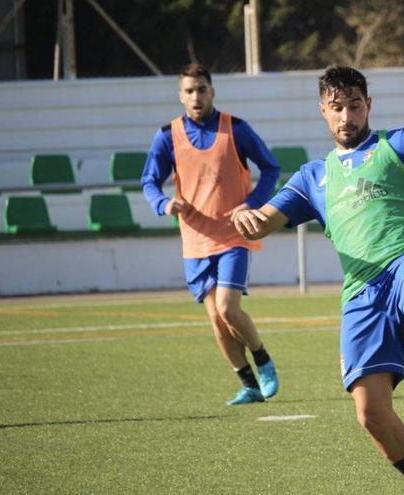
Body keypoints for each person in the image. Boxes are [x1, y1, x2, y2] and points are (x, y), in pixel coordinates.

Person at [232, 65, 404, 494]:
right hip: (361, 290)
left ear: (369, 106)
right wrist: (249, 218)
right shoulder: (312, 177)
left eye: (355, 106)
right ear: (323, 111)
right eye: (337, 108)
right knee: (371, 412)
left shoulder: (397, 144)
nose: (347, 117)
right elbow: (268, 218)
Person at [142, 63, 281, 406]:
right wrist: (163, 204)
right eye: (189, 91)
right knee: (217, 321)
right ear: (180, 96)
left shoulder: (235, 129)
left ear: (212, 91)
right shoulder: (166, 136)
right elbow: (149, 181)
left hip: (233, 235)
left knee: (227, 308)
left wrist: (250, 204)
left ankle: (263, 361)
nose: (196, 96)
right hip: (194, 241)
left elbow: (271, 168)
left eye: (201, 89)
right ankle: (248, 384)